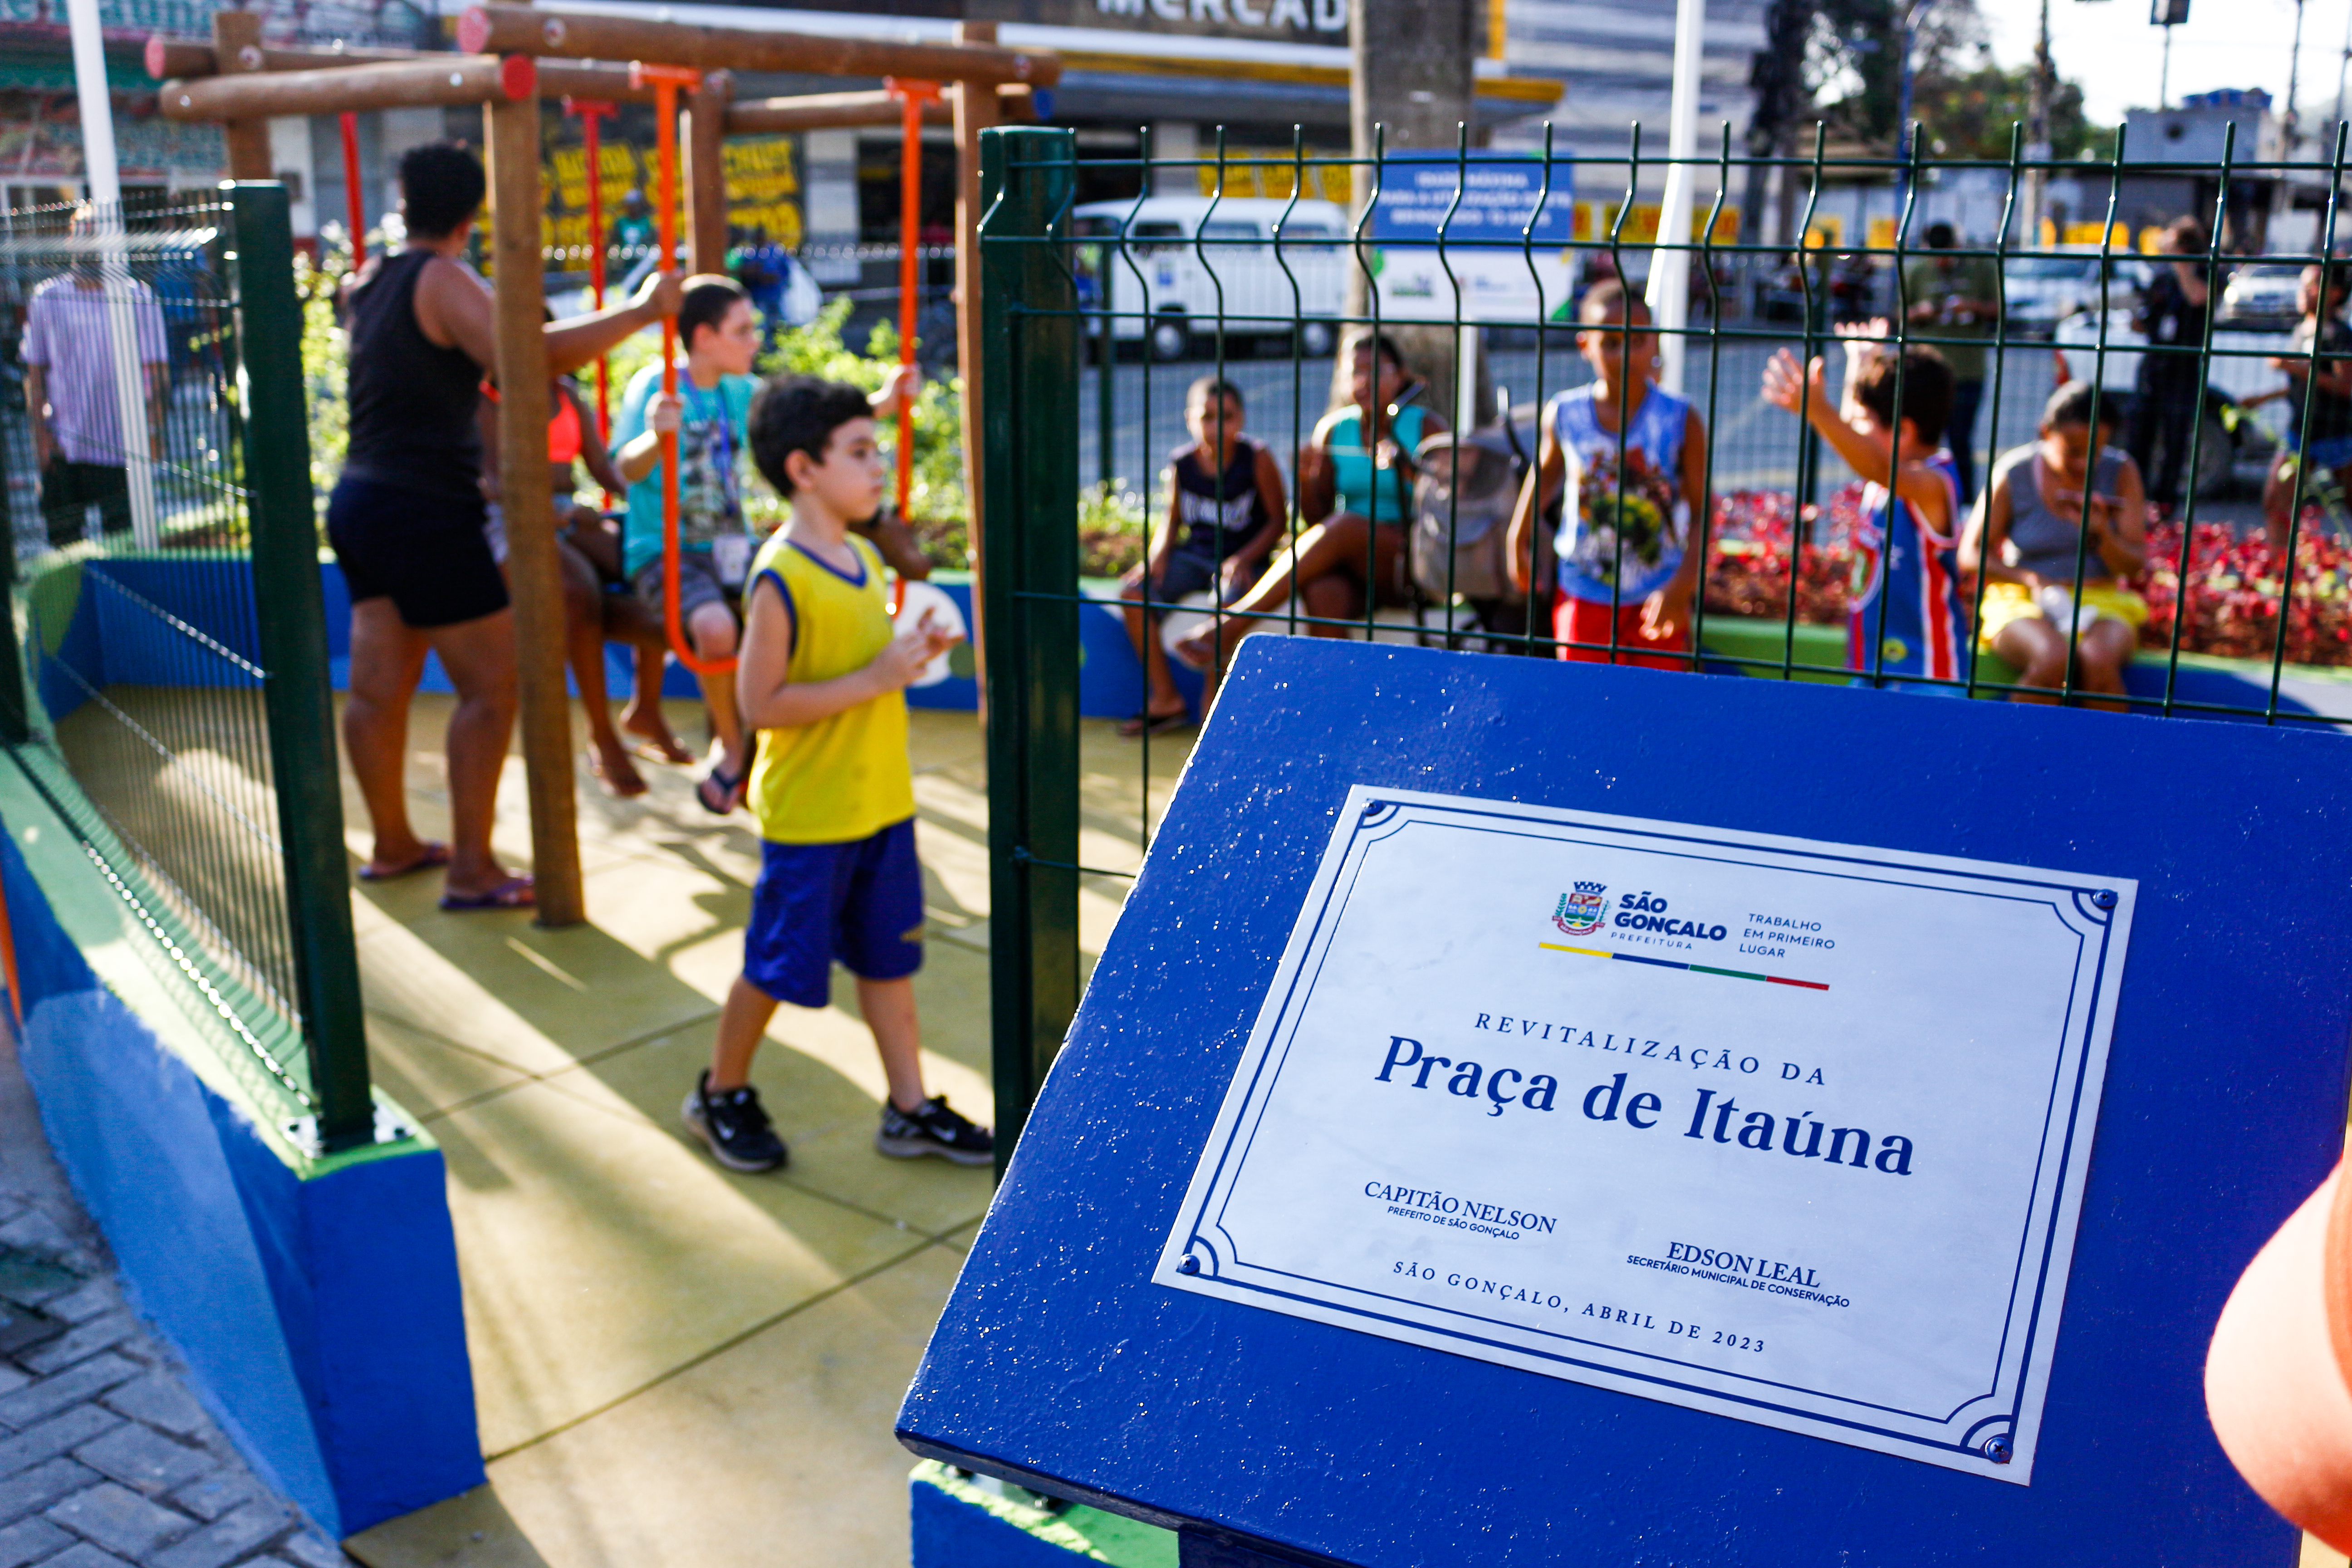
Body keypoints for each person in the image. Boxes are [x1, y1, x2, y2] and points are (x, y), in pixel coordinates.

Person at [330, 142, 679, 910]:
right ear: (470, 215)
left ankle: (393, 845)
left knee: (376, 688)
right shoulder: (441, 278)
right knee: (492, 689)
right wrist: (642, 310)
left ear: (402, 198)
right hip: (425, 507)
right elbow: (529, 361)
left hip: (360, 499)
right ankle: (471, 871)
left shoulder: (371, 281)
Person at [681, 373, 988, 1174]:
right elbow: (761, 704)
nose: (878, 464)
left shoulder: (856, 553)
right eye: (859, 451)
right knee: (775, 967)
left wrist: (911, 650)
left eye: (875, 447)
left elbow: (865, 661)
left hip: (880, 804)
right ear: (802, 468)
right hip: (812, 816)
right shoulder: (780, 575)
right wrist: (880, 674)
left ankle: (910, 1107)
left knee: (890, 964)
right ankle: (720, 1092)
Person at [614, 275, 914, 814]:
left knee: (795, 610)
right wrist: (655, 438)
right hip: (669, 548)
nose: (756, 339)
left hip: (732, 543)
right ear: (704, 337)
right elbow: (625, 469)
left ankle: (775, 738)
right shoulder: (655, 385)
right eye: (743, 330)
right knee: (715, 627)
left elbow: (816, 427)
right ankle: (730, 749)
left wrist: (885, 403)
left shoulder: (740, 391)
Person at [1172, 333, 1444, 669]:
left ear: (1400, 374)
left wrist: (1409, 471)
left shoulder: (1425, 426)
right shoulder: (1334, 430)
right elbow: (1319, 521)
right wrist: (1305, 480)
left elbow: (1451, 504)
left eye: (1374, 370)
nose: (1363, 381)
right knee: (1322, 592)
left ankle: (1231, 625)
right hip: (1353, 565)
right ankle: (1337, 701)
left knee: (1349, 525)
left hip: (1410, 563)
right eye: (1353, 372)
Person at [477, 369, 686, 796]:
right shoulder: (484, 400)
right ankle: (602, 733)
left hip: (568, 512)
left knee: (647, 564)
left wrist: (650, 495)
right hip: (511, 517)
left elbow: (603, 468)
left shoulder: (566, 393)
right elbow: (493, 485)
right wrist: (558, 515)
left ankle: (646, 707)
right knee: (577, 592)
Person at [1503, 281, 1707, 671]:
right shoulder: (1566, 413)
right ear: (1585, 346)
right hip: (1584, 593)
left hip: (1657, 592)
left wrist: (1682, 586)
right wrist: (1518, 536)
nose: (1627, 353)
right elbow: (1545, 475)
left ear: (1656, 342)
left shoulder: (1681, 419)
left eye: (1639, 339)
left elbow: (1702, 512)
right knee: (1584, 705)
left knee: (1658, 709)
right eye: (1611, 342)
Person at [1762, 324, 1966, 691]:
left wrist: (1819, 411)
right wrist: (1861, 363)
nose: (1857, 425)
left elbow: (1867, 458)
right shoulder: (1884, 468)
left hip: (1926, 676)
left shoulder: (1933, 483)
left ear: (1903, 432)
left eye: (1867, 421)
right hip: (1871, 668)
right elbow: (1857, 442)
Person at [1960, 381, 2149, 710]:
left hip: (2101, 600)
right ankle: (2009, 756)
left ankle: (2108, 760)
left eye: (2096, 451)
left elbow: (2134, 565)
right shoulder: (2013, 472)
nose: (2084, 464)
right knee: (2052, 658)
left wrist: (2102, 533)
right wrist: (2031, 580)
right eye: (2073, 451)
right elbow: (1969, 554)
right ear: (2046, 432)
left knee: (2097, 660)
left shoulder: (2121, 471)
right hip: (2023, 601)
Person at [1119, 377, 1286, 735]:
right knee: (1133, 594)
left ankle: (1213, 707)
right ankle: (1166, 698)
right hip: (1195, 556)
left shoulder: (1257, 458)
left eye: (1226, 416)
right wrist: (1157, 557)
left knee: (1224, 606)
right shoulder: (1182, 462)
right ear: (1189, 419)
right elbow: (1171, 518)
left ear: (1241, 419)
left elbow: (1277, 520)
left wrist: (1244, 557)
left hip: (1242, 561)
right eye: (1207, 417)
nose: (1216, 426)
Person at [21, 209, 170, 547]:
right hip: (65, 446)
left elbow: (158, 372)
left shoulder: (138, 297)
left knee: (125, 542)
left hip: (122, 447)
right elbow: (35, 373)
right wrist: (41, 439)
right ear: (72, 239)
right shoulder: (48, 298)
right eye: (84, 234)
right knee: (64, 543)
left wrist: (155, 430)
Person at [1901, 220, 2001, 505]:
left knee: (1960, 441)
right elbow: (1900, 313)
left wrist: (1972, 307)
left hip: (1967, 372)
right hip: (1926, 373)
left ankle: (1965, 504)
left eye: (1946, 254)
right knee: (1921, 443)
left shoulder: (1981, 268)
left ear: (1956, 247)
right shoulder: (1917, 271)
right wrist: (1921, 312)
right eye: (1935, 256)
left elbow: (2000, 309)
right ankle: (1921, 500)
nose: (1941, 262)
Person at [2262, 261, 2352, 554]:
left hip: (2339, 433)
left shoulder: (2340, 334)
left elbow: (2346, 386)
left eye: (2312, 284)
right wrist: (2263, 398)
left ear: (2335, 293)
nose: (2304, 290)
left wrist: (2297, 367)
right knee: (2274, 500)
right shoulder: (2302, 329)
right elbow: (2304, 384)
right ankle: (2277, 570)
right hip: (2301, 431)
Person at [2127, 216, 2211, 514]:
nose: (2164, 246)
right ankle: (2134, 501)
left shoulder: (2204, 272)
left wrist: (2183, 266)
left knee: (2175, 440)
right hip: (2155, 366)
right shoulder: (2161, 277)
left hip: (2184, 369)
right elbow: (2143, 319)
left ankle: (2165, 506)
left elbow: (2198, 297)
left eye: (2171, 241)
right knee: (2139, 437)